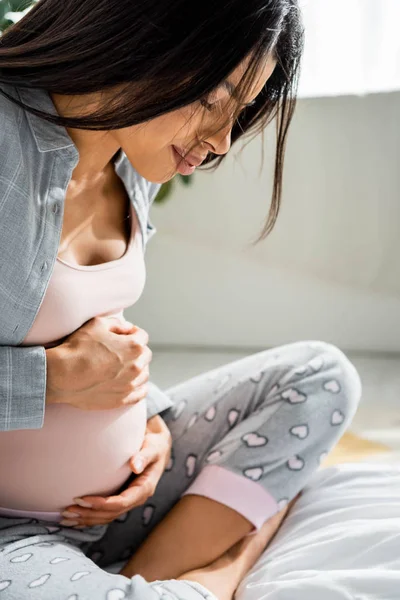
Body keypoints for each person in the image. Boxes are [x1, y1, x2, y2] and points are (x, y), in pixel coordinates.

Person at [0, 0, 362, 598]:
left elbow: (91, 330)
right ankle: (224, 567)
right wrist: (49, 383)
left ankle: (142, 575)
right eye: (212, 99)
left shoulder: (129, 158)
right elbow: (62, 358)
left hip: (113, 507)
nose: (221, 141)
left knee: (322, 376)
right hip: (11, 531)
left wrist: (150, 422)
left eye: (240, 112)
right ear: (133, 34)